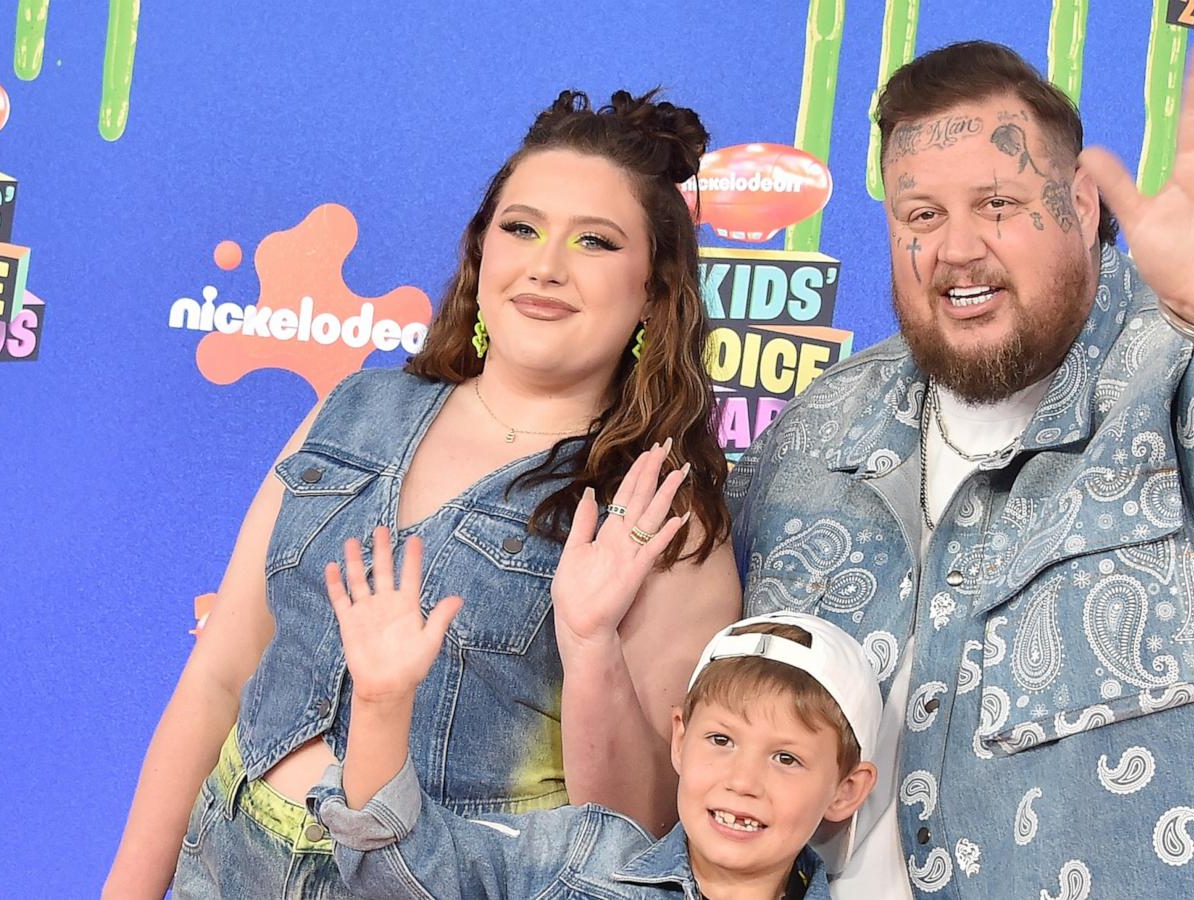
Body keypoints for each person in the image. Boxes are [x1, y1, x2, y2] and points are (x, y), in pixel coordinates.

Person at [726, 40, 1194, 899]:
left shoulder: (1193, 367)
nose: (956, 249)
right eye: (921, 216)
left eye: (997, 203)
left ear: (1081, 205)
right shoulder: (815, 430)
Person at [104, 89, 743, 897]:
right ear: (482, 254)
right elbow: (218, 677)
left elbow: (632, 839)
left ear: (653, 292)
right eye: (522, 228)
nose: (546, 264)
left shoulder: (659, 510)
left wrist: (591, 645)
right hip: (223, 871)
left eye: (595, 241)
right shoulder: (356, 408)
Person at [304, 517, 880, 900]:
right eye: (721, 741)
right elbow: (400, 865)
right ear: (680, 738)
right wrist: (381, 703)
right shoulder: (579, 856)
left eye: (786, 758)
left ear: (846, 789)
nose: (742, 781)